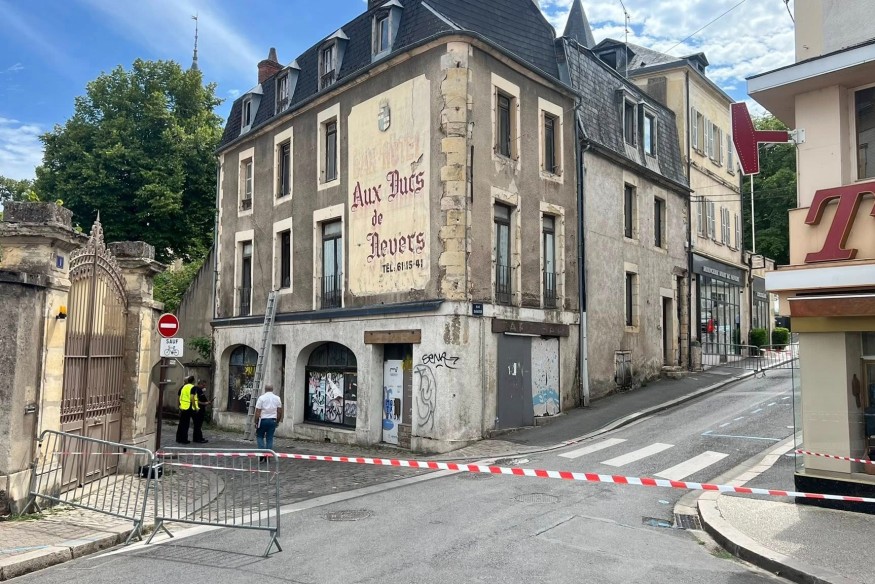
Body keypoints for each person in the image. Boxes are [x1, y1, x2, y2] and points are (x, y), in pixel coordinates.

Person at [254, 385, 283, 461]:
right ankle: (268, 455)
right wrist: (277, 421)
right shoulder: (277, 398)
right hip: (272, 420)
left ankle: (262, 453)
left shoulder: (261, 398)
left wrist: (256, 421)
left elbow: (257, 411)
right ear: (272, 389)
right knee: (269, 438)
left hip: (263, 420)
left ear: (265, 389)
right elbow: (279, 411)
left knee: (259, 436)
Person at [176, 375, 196, 444]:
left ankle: (179, 438)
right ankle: (184, 439)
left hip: (182, 407)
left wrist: (179, 406)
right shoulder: (191, 387)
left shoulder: (183, 387)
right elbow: (192, 398)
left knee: (181, 423)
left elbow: (179, 397)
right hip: (188, 407)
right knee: (185, 424)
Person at [191, 379, 211, 444]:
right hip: (197, 410)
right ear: (200, 384)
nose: (204, 387)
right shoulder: (196, 390)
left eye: (205, 385)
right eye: (203, 385)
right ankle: (198, 439)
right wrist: (205, 403)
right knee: (198, 425)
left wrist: (207, 402)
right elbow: (195, 400)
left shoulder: (199, 390)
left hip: (199, 410)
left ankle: (197, 438)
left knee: (198, 425)